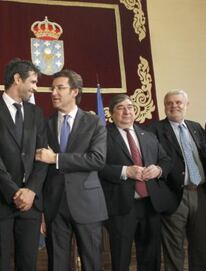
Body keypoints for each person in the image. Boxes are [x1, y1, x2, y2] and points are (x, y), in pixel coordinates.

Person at [0, 59, 48, 271]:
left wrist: (31, 191)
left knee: (28, 264)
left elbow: (43, 156)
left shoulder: (36, 113)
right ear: (17, 79)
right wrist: (14, 192)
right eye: (33, 82)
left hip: (31, 204)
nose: (36, 88)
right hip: (0, 201)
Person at [35, 69, 107, 270]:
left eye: (60, 88)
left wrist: (56, 158)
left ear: (75, 91)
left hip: (88, 204)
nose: (54, 93)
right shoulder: (45, 124)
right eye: (52, 88)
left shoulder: (94, 122)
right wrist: (40, 209)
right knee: (57, 264)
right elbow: (40, 168)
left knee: (91, 262)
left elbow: (97, 160)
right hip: (54, 205)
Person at [100, 94, 174, 271]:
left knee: (151, 257)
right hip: (121, 206)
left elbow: (166, 160)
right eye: (121, 107)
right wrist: (125, 171)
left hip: (150, 204)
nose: (127, 111)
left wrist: (158, 169)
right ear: (111, 113)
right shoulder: (102, 136)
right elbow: (97, 166)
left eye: (131, 107)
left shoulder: (148, 135)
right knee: (121, 257)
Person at [148, 90, 206, 270]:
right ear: (164, 106)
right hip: (174, 195)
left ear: (186, 105)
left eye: (178, 102)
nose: (174, 106)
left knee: (201, 246)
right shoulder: (154, 130)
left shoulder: (196, 127)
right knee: (174, 249)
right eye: (169, 103)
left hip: (200, 193)